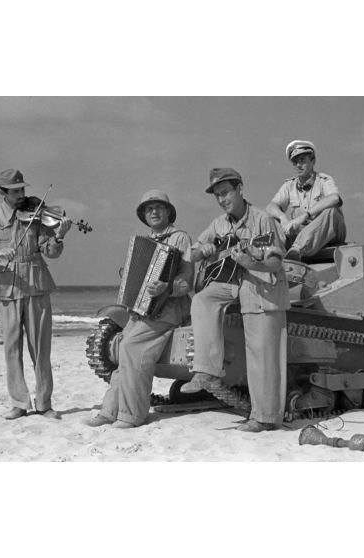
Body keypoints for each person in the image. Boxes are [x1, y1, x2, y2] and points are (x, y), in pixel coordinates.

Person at [181, 168, 289, 433]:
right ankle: (207, 369)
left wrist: (250, 261)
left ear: (240, 188)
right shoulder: (219, 224)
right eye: (217, 195)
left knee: (261, 354)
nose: (222, 199)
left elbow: (275, 261)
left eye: (225, 192)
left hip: (259, 287)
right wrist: (202, 251)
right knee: (202, 301)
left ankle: (264, 418)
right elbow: (192, 253)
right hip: (228, 284)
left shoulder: (263, 220)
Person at [0, 169, 71, 420]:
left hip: (37, 283)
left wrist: (58, 235)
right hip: (6, 287)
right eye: (16, 191)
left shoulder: (37, 214)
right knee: (12, 348)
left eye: (23, 189)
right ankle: (19, 403)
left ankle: (44, 404)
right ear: (2, 192)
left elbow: (51, 252)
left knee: (41, 349)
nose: (22, 195)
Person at [85, 190, 194, 429]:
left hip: (169, 309)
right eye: (148, 209)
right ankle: (110, 410)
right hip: (142, 310)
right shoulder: (143, 242)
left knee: (132, 347)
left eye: (159, 207)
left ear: (168, 211)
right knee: (124, 347)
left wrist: (167, 288)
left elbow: (187, 280)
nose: (154, 212)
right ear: (144, 215)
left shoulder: (180, 238)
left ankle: (133, 414)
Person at [266, 140, 346, 261]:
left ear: (313, 161)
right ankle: (274, 253)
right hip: (302, 234)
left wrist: (305, 216)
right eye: (295, 162)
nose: (298, 165)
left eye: (302, 160)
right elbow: (270, 207)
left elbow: (334, 198)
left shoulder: (323, 180)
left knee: (332, 211)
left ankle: (296, 251)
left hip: (329, 232)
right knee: (271, 219)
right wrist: (283, 219)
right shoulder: (290, 185)